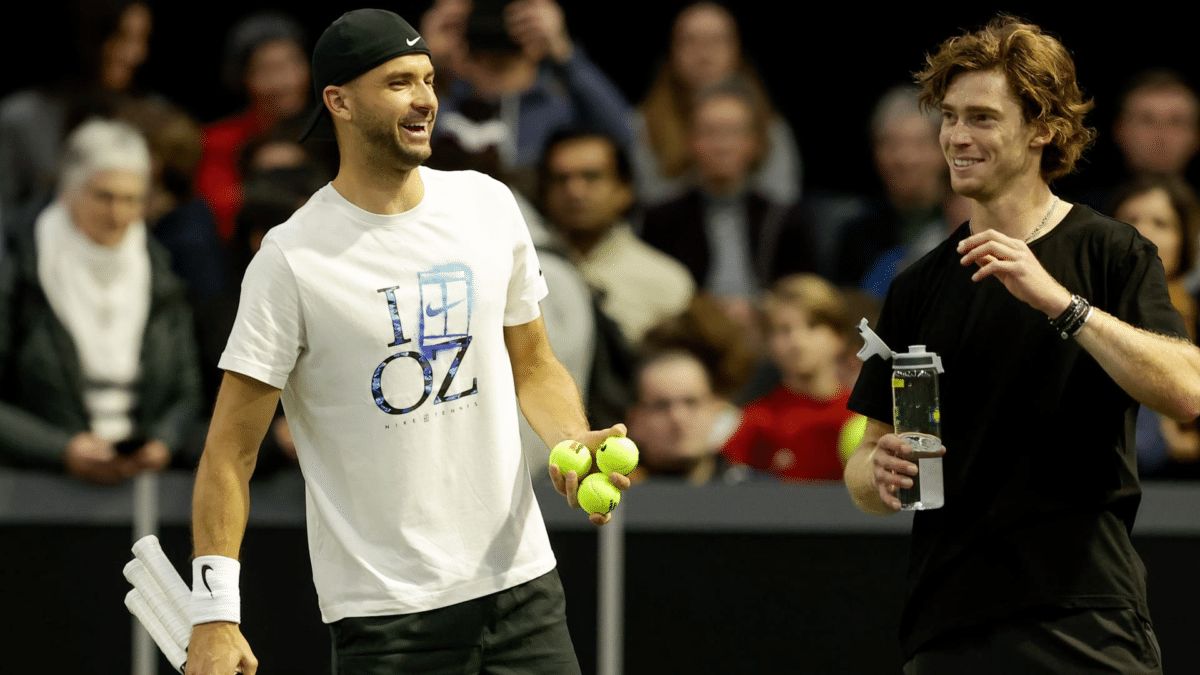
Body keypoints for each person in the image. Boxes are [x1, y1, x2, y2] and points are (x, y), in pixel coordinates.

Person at [186, 10, 630, 675]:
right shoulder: (290, 259)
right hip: (386, 618)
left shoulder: (488, 205)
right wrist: (213, 613)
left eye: (427, 78)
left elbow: (534, 365)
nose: (425, 97)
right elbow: (229, 452)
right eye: (398, 82)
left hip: (524, 591)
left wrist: (574, 440)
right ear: (338, 101)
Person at [843, 16, 1200, 673]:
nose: (955, 137)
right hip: (946, 625)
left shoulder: (1111, 250)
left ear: (1043, 128)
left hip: (1085, 616)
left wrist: (1060, 302)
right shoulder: (917, 285)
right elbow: (864, 468)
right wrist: (879, 471)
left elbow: (1186, 389)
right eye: (949, 117)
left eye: (982, 117)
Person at [0, 118, 200, 482]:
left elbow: (187, 390)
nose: (118, 214)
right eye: (104, 196)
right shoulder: (17, 264)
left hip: (143, 482)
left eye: (131, 200)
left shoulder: (159, 269)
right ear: (69, 191)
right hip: (33, 487)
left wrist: (163, 441)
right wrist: (58, 448)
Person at [632, 1, 800, 208]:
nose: (704, 54)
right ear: (672, 50)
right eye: (691, 41)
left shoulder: (769, 125)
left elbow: (782, 204)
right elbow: (646, 200)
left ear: (736, 49)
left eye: (716, 41)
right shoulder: (644, 124)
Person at [538, 128, 694, 345]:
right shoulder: (519, 271)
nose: (574, 191)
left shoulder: (666, 283)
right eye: (561, 179)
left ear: (624, 190)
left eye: (591, 177)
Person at [722, 274, 858, 481]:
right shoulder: (756, 422)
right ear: (768, 343)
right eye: (784, 330)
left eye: (812, 326)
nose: (797, 342)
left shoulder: (865, 417)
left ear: (839, 337)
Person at [1108, 175, 1200, 478]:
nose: (1141, 233)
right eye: (1129, 219)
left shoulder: (1194, 317)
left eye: (1160, 223)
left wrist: (1185, 445)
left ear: (1185, 239)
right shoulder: (1082, 316)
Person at [194, 11, 311, 241]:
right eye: (268, 70)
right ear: (243, 77)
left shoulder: (333, 132)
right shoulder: (218, 141)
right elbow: (219, 210)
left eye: (292, 64)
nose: (285, 82)